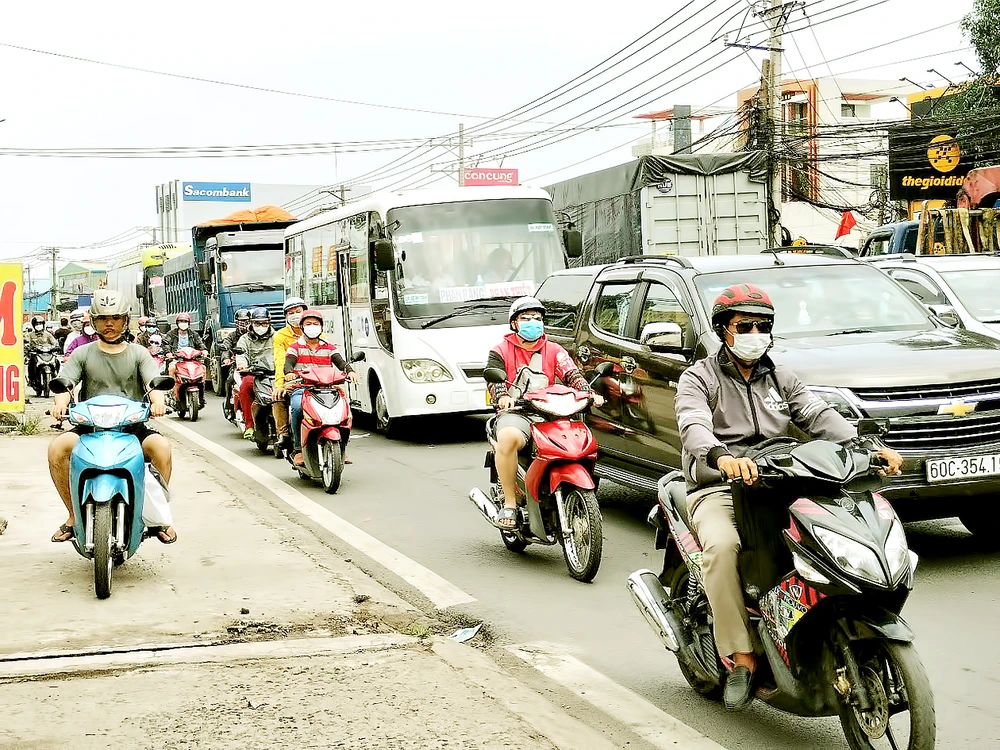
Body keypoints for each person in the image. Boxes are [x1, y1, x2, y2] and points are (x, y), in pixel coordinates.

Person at [674, 283, 903, 712]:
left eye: (764, 326)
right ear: (724, 329)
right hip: (720, 486)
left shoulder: (783, 377)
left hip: (781, 481)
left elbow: (818, 416)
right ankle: (741, 657)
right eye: (746, 325)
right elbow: (692, 425)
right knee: (723, 548)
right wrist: (721, 456)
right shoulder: (698, 378)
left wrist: (867, 448)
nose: (756, 333)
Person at [47, 290, 176, 545]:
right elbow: (65, 383)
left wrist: (158, 402)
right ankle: (73, 515)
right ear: (93, 321)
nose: (110, 324)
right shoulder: (83, 353)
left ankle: (157, 515)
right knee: (56, 448)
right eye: (104, 318)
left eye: (116, 318)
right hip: (90, 428)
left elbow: (154, 383)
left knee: (161, 448)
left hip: (132, 429)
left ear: (125, 320)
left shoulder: (139, 353)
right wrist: (59, 404)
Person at [485, 296, 604, 529]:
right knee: (508, 438)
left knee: (583, 442)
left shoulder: (554, 350)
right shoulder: (500, 349)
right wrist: (504, 396)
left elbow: (572, 375)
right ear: (514, 324)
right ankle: (510, 503)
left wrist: (589, 393)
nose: (533, 322)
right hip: (517, 412)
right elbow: (494, 377)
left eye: (537, 318)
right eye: (526, 318)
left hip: (551, 413)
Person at [284, 309, 358, 467]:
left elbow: (341, 363)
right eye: (308, 324)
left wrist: (350, 371)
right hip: (303, 389)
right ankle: (298, 449)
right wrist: (289, 373)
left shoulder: (330, 348)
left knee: (345, 409)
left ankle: (342, 447)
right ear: (302, 327)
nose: (312, 327)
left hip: (328, 390)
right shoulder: (295, 347)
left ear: (321, 327)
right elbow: (288, 363)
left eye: (315, 324)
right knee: (297, 408)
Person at [272, 296, 308, 450]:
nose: (294, 315)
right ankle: (284, 434)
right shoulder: (280, 336)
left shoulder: (315, 332)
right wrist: (280, 384)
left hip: (314, 380)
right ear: (286, 316)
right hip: (291, 379)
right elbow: (280, 361)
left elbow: (329, 357)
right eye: (290, 312)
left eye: (298, 311)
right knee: (279, 398)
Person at [234, 308, 275, 440]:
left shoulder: (277, 337)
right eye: (257, 323)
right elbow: (241, 354)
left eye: (264, 323)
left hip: (274, 374)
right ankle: (250, 426)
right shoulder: (244, 339)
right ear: (251, 323)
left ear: (269, 323)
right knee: (245, 388)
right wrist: (242, 365)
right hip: (254, 374)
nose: (261, 326)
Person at [25, 316, 59, 390]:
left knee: (57, 361)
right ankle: (32, 380)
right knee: (31, 363)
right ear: (34, 325)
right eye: (37, 324)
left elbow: (54, 343)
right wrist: (28, 347)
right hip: (35, 355)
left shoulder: (48, 335)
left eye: (40, 324)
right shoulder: (30, 335)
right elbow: (26, 343)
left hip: (47, 354)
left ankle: (56, 376)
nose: (38, 326)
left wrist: (56, 347)